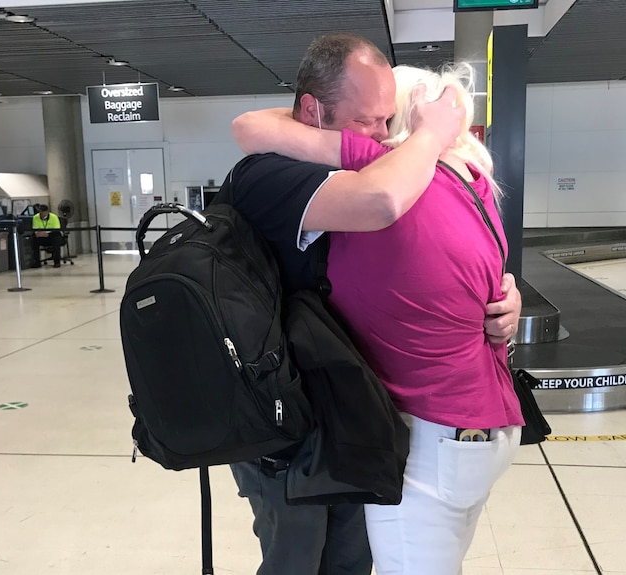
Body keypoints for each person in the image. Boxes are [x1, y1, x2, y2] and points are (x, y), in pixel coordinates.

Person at [218, 33, 522, 575]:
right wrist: (428, 135)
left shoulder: (383, 167)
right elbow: (377, 200)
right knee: (297, 559)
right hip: (286, 422)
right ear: (312, 110)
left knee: (355, 559)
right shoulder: (268, 174)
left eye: (389, 121)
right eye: (368, 121)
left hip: (357, 416)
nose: (382, 135)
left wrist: (499, 295)